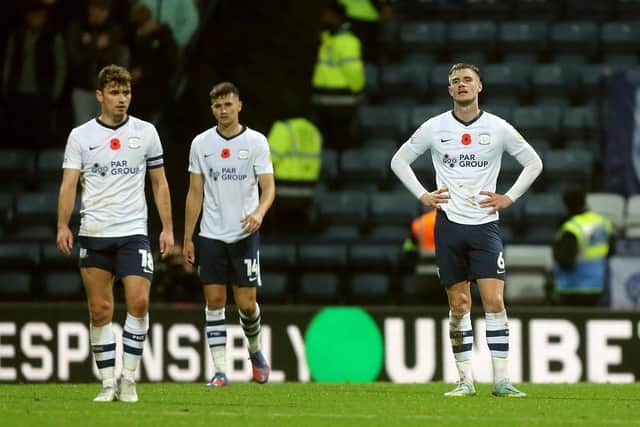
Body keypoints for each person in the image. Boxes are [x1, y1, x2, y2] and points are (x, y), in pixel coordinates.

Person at [391, 63, 543, 397]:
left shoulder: (498, 128)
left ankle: (501, 380)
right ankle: (465, 381)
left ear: (479, 87)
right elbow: (398, 161)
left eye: (467, 80)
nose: (461, 85)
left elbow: (534, 163)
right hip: (448, 226)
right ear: (449, 90)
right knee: (459, 304)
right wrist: (422, 194)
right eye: (455, 81)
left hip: (485, 227)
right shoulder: (435, 128)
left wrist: (509, 197)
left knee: (494, 300)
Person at [56, 64, 174, 402]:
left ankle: (129, 379)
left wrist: (166, 228)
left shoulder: (147, 132)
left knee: (138, 302)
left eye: (126, 93)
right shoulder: (80, 136)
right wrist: (63, 224)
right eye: (115, 93)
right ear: (99, 96)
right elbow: (69, 183)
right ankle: (108, 383)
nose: (122, 99)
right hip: (94, 232)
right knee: (100, 310)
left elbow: (159, 182)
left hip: (133, 232)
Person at [183, 82, 275, 387]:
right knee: (214, 301)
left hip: (244, 233)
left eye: (227, 104)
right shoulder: (201, 144)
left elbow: (269, 187)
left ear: (239, 105)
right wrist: (188, 237)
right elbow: (195, 192)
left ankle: (255, 351)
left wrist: (259, 213)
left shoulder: (257, 142)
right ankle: (220, 370)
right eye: (217, 106)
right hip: (211, 234)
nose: (223, 111)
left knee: (247, 304)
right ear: (212, 109)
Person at [2, 0, 66, 148]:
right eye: (33, 16)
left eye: (40, 16)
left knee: (40, 131)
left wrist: (56, 92)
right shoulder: (17, 35)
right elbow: (9, 62)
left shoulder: (52, 36)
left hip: (42, 90)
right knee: (19, 129)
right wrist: (6, 86)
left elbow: (60, 66)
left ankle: (36, 165)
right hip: (18, 89)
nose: (36, 19)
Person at [311, 0, 365, 150]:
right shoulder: (328, 39)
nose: (324, 18)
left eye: (328, 15)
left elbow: (354, 72)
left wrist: (357, 92)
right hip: (324, 101)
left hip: (340, 102)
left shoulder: (347, 41)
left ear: (338, 17)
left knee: (339, 143)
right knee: (327, 145)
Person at [553, 186, 614, 306]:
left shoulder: (572, 228)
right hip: (596, 286)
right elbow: (611, 250)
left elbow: (565, 260)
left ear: (566, 205)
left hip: (572, 288)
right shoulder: (603, 222)